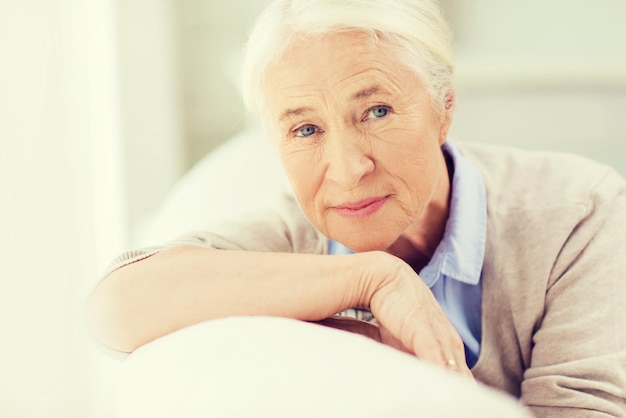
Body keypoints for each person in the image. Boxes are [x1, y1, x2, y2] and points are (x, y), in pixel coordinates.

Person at [87, 0, 626, 416]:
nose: (346, 169)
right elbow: (115, 307)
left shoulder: (580, 215)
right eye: (305, 129)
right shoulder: (289, 239)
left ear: (444, 111)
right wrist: (373, 278)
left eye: (376, 110)